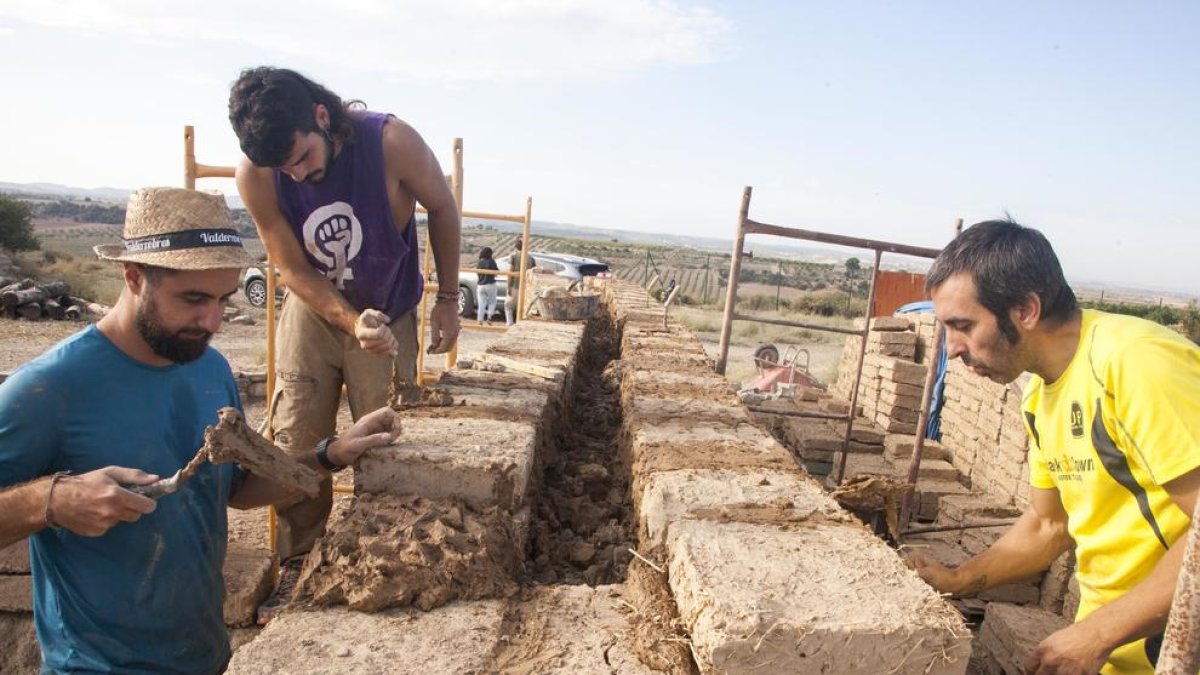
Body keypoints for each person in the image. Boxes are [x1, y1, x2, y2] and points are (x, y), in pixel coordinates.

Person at [0, 187, 399, 674]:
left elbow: (238, 488)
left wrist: (330, 453)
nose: (212, 320)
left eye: (223, 299)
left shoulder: (209, 369)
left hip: (205, 658)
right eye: (192, 299)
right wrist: (53, 501)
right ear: (133, 277)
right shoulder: (47, 390)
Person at [909, 219, 1200, 675]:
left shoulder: (1134, 361)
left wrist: (1099, 632)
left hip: (1179, 651)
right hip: (1120, 649)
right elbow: (1049, 526)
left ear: (1026, 309)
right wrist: (958, 580)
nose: (955, 349)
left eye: (962, 326)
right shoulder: (1039, 397)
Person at [228, 67, 461, 565]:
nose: (297, 175)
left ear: (321, 117)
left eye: (302, 158)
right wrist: (350, 319)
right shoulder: (256, 175)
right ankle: (298, 566)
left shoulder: (391, 143)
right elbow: (291, 267)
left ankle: (384, 564)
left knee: (385, 443)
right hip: (312, 313)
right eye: (283, 169)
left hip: (391, 310)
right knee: (296, 442)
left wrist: (447, 301)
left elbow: (442, 208)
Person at [505, 238, 534, 326]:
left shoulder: (514, 256)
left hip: (515, 285)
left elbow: (511, 272)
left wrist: (508, 287)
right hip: (526, 286)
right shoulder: (531, 258)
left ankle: (510, 324)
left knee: (508, 306)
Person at [475, 246, 499, 325]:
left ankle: (480, 320)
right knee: (492, 302)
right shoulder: (491, 261)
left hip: (481, 285)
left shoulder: (480, 262)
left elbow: (477, 273)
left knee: (482, 303)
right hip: (490, 284)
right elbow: (496, 272)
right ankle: (489, 317)